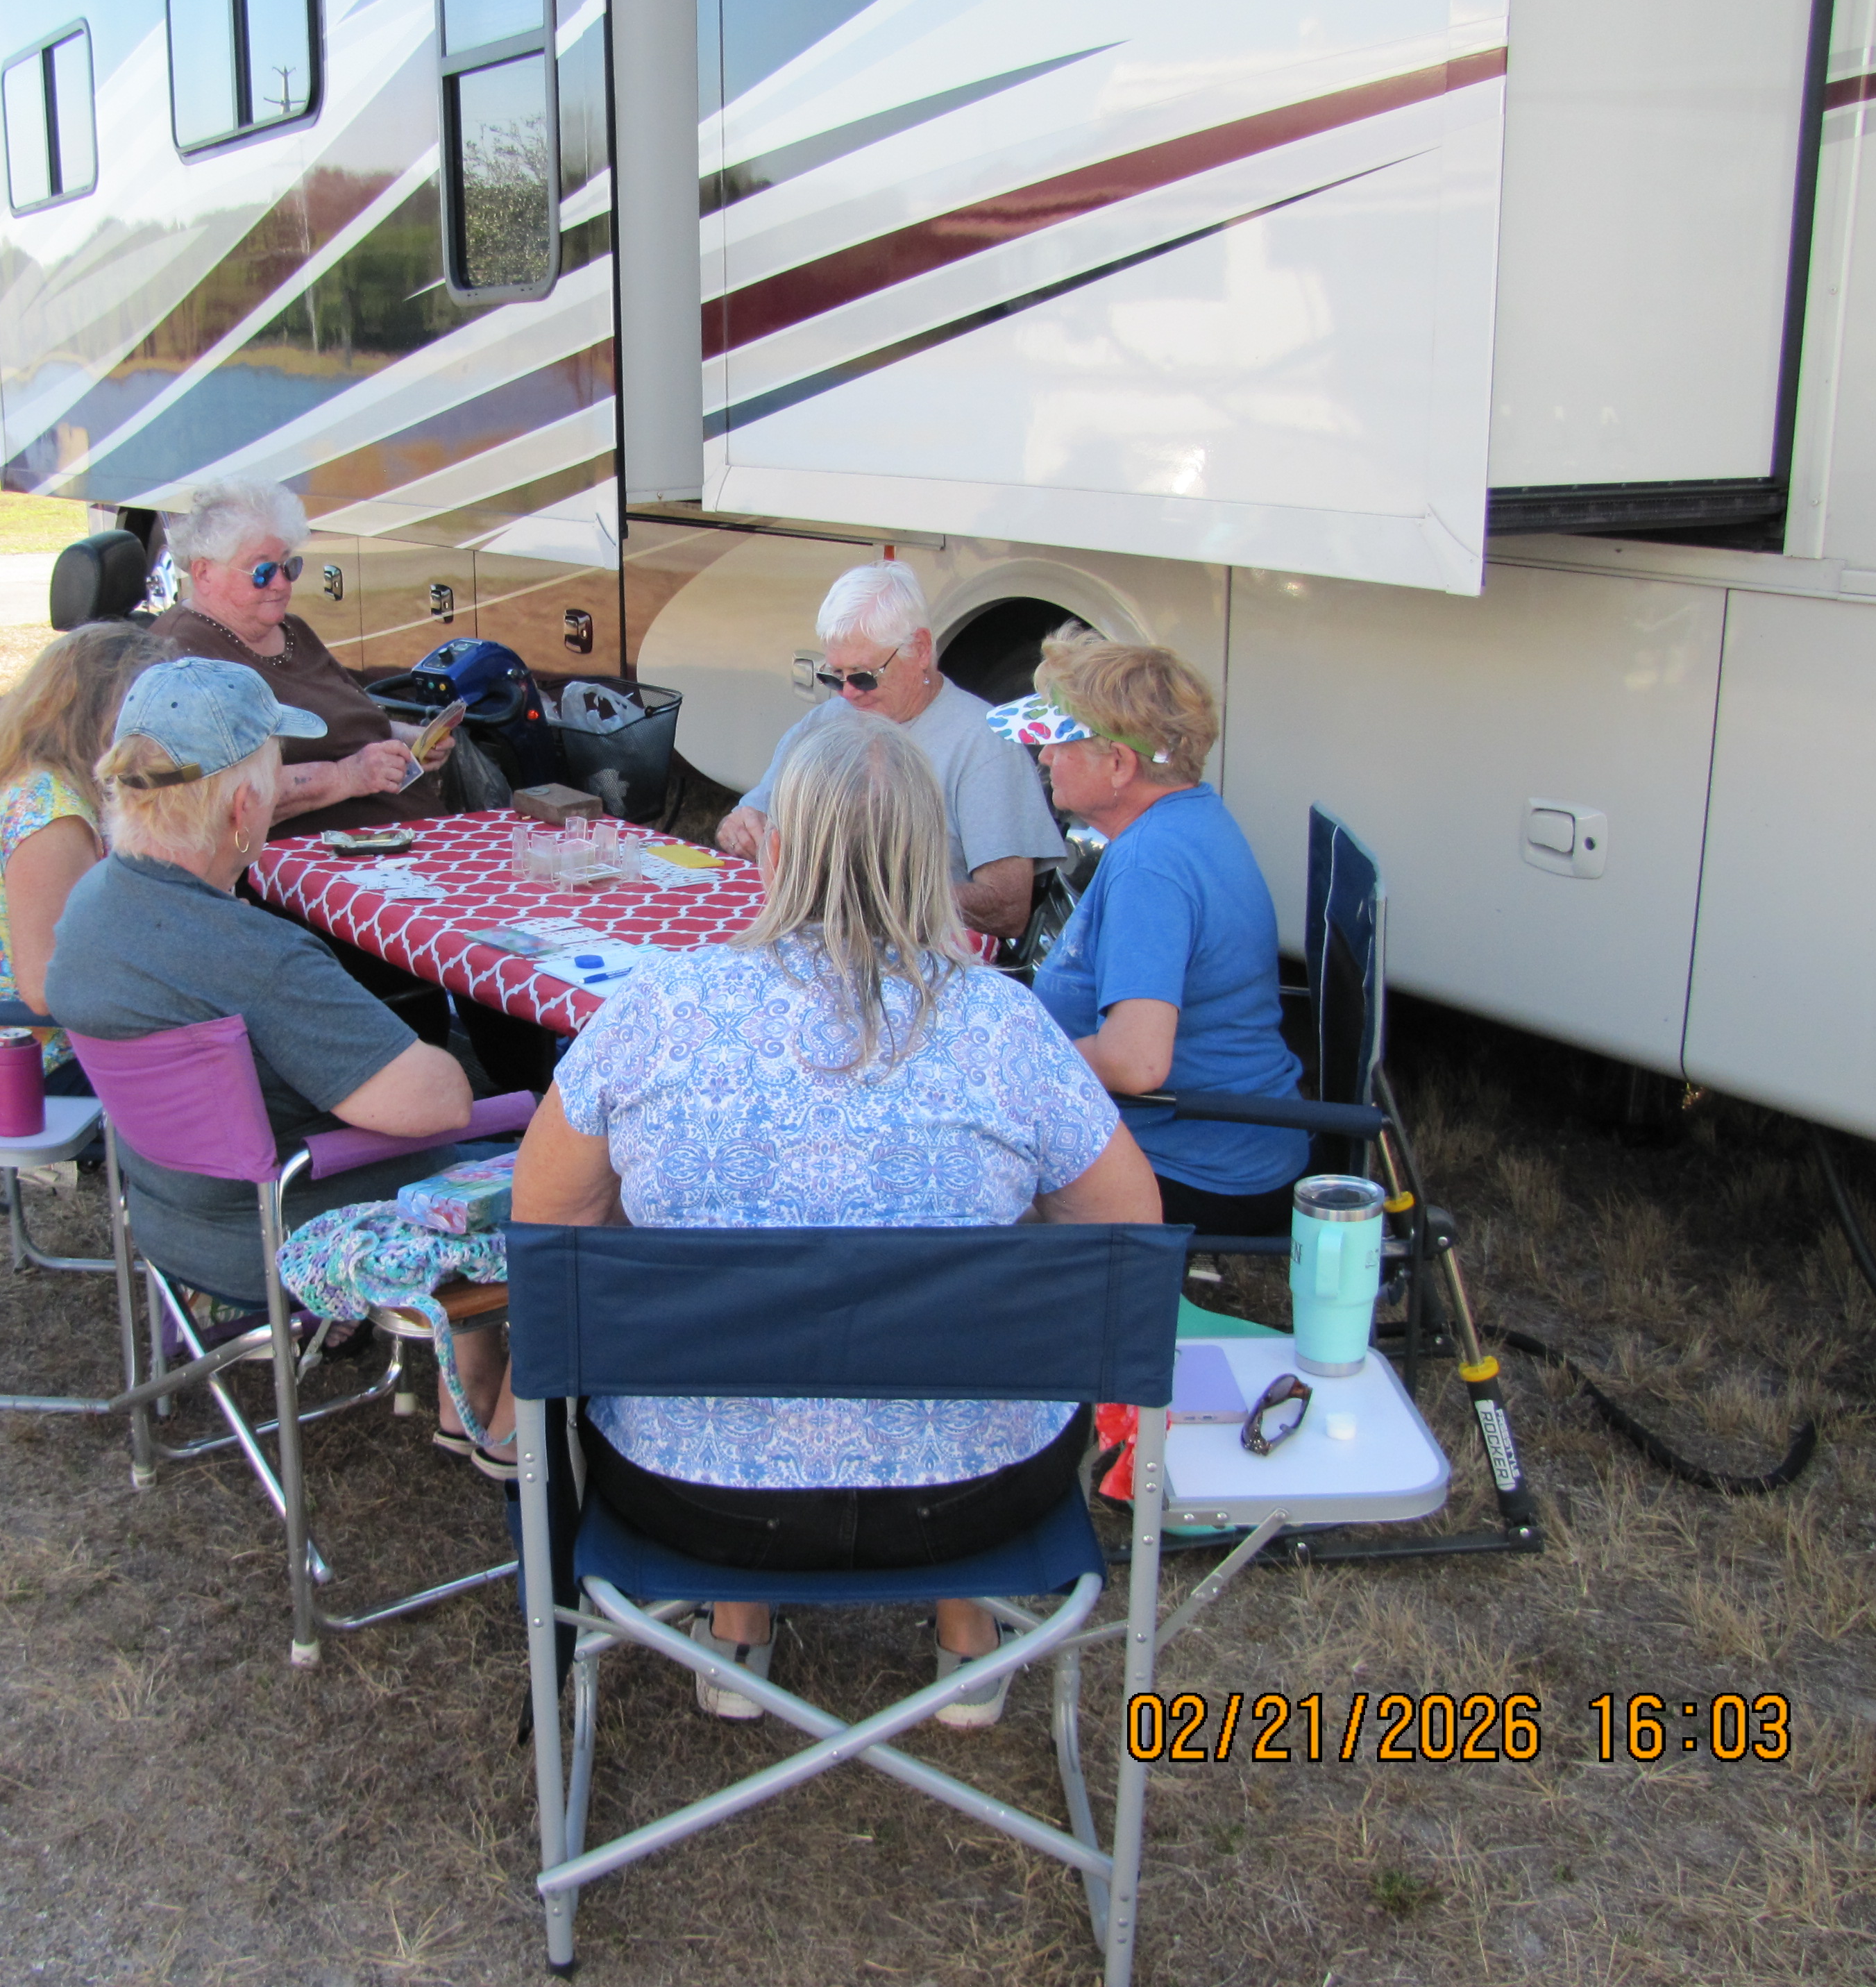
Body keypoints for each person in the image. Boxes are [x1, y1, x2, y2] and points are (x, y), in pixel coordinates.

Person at [514, 713, 1160, 1728]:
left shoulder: (655, 1011)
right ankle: (966, 1635)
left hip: (694, 1492)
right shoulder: (1005, 1024)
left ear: (775, 849)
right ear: (930, 857)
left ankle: (738, 1623)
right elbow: (1123, 1237)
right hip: (977, 1495)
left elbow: (548, 1226)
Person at [46, 657, 491, 1306]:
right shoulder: (255, 954)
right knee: (553, 1172)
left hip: (171, 1220)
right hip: (295, 1228)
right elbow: (439, 1106)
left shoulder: (89, 905)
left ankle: (471, 1375)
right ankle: (494, 1397)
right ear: (247, 806)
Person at [1013, 638, 1309, 1234]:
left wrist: (1018, 1069)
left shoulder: (1152, 866)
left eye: (1059, 741)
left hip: (1192, 1163)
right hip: (1231, 1142)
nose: (1043, 758)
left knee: (950, 1190)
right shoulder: (1190, 818)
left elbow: (1136, 1062)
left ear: (1119, 765)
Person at [715, 561, 1060, 939]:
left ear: (921, 650)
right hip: (812, 942)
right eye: (834, 677)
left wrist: (872, 899)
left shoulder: (983, 743)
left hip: (919, 958)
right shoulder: (826, 721)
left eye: (864, 676)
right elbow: (746, 819)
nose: (848, 693)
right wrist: (738, 831)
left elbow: (1007, 908)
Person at [0, 620, 165, 1093]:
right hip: (22, 1062)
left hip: (24, 1045)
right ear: (110, 718)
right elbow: (46, 988)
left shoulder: (27, 777)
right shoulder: (51, 817)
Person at [146, 477, 453, 834]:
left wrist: (409, 739)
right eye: (262, 572)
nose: (281, 584)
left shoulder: (292, 630)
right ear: (204, 573)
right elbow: (212, 795)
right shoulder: (182, 655)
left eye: (288, 567)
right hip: (312, 860)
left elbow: (344, 722)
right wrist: (345, 777)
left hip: (407, 835)